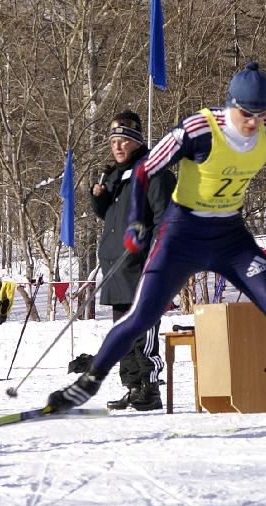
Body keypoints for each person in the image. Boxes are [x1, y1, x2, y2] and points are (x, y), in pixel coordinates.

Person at [46, 62, 266, 427]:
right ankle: (87, 384)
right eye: (246, 113)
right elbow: (146, 169)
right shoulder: (199, 128)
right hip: (182, 235)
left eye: (261, 114)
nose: (253, 122)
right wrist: (136, 221)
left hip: (231, 238)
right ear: (231, 105)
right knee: (141, 316)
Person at [91, 111, 175, 411]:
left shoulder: (152, 171)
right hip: (116, 266)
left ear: (137, 142)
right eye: (114, 141)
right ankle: (133, 385)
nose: (118, 146)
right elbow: (112, 217)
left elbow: (166, 218)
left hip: (141, 266)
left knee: (142, 329)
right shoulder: (114, 175)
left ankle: (150, 386)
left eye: (124, 140)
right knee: (122, 332)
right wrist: (99, 199)